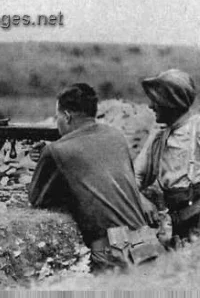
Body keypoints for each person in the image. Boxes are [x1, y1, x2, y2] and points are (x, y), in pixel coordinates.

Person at [28, 83, 163, 273]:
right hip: (146, 243)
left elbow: (38, 199)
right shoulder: (116, 136)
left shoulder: (56, 151)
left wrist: (48, 159)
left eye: (57, 116)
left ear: (67, 116)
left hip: (112, 251)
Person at [135, 69, 200, 246]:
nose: (151, 106)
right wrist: (141, 200)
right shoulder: (158, 138)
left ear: (170, 101)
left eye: (155, 100)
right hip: (176, 226)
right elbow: (135, 177)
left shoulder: (197, 128)